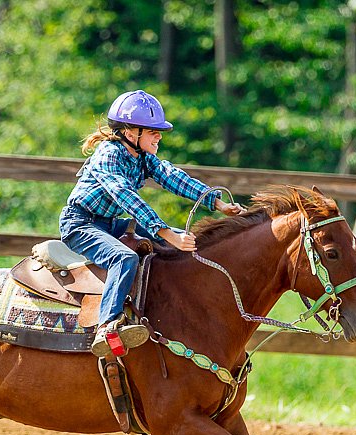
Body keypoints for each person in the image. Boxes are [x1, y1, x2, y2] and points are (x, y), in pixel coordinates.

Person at [59, 89, 246, 358]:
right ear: (130, 133)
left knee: (181, 240)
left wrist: (217, 203)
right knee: (123, 258)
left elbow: (174, 177)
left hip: (109, 223)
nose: (159, 136)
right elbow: (126, 197)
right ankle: (107, 327)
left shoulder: (143, 158)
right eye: (152, 131)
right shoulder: (108, 156)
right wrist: (167, 234)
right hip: (80, 224)